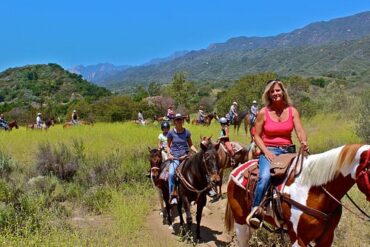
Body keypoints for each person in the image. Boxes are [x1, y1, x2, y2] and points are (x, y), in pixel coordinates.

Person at [247, 79, 309, 228]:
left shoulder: (292, 111)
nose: (275, 93)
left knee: (307, 173)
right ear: (268, 94)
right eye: (272, 91)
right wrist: (266, 151)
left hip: (289, 150)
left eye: (278, 90)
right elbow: (256, 135)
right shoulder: (263, 112)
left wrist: (304, 141)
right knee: (265, 177)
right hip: (270, 151)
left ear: (283, 92)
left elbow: (299, 130)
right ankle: (256, 211)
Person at [166, 113, 198, 205]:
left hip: (185, 156)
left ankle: (205, 190)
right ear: (174, 121)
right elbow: (168, 146)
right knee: (171, 174)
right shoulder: (171, 133)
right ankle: (172, 196)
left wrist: (197, 152)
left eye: (180, 120)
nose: (179, 121)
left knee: (197, 169)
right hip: (175, 157)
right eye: (177, 120)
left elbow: (190, 145)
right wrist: (169, 154)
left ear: (183, 121)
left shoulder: (187, 132)